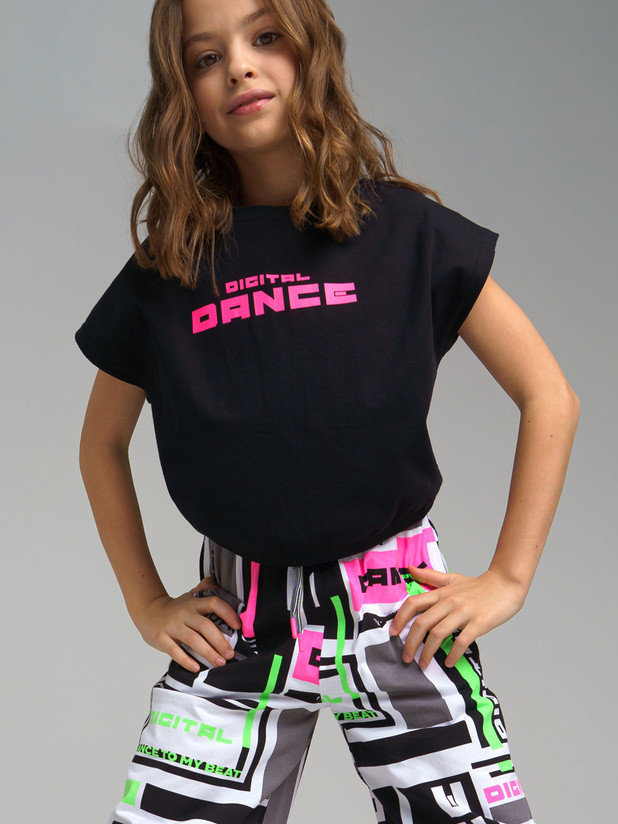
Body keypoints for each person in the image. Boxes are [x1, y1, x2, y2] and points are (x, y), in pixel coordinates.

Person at [75, 0, 580, 822]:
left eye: (265, 36)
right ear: (181, 94)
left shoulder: (407, 232)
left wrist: (508, 579)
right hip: (239, 621)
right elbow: (101, 442)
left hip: (399, 611)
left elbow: (549, 394)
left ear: (311, 51)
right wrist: (147, 602)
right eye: (205, 58)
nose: (239, 65)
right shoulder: (171, 267)